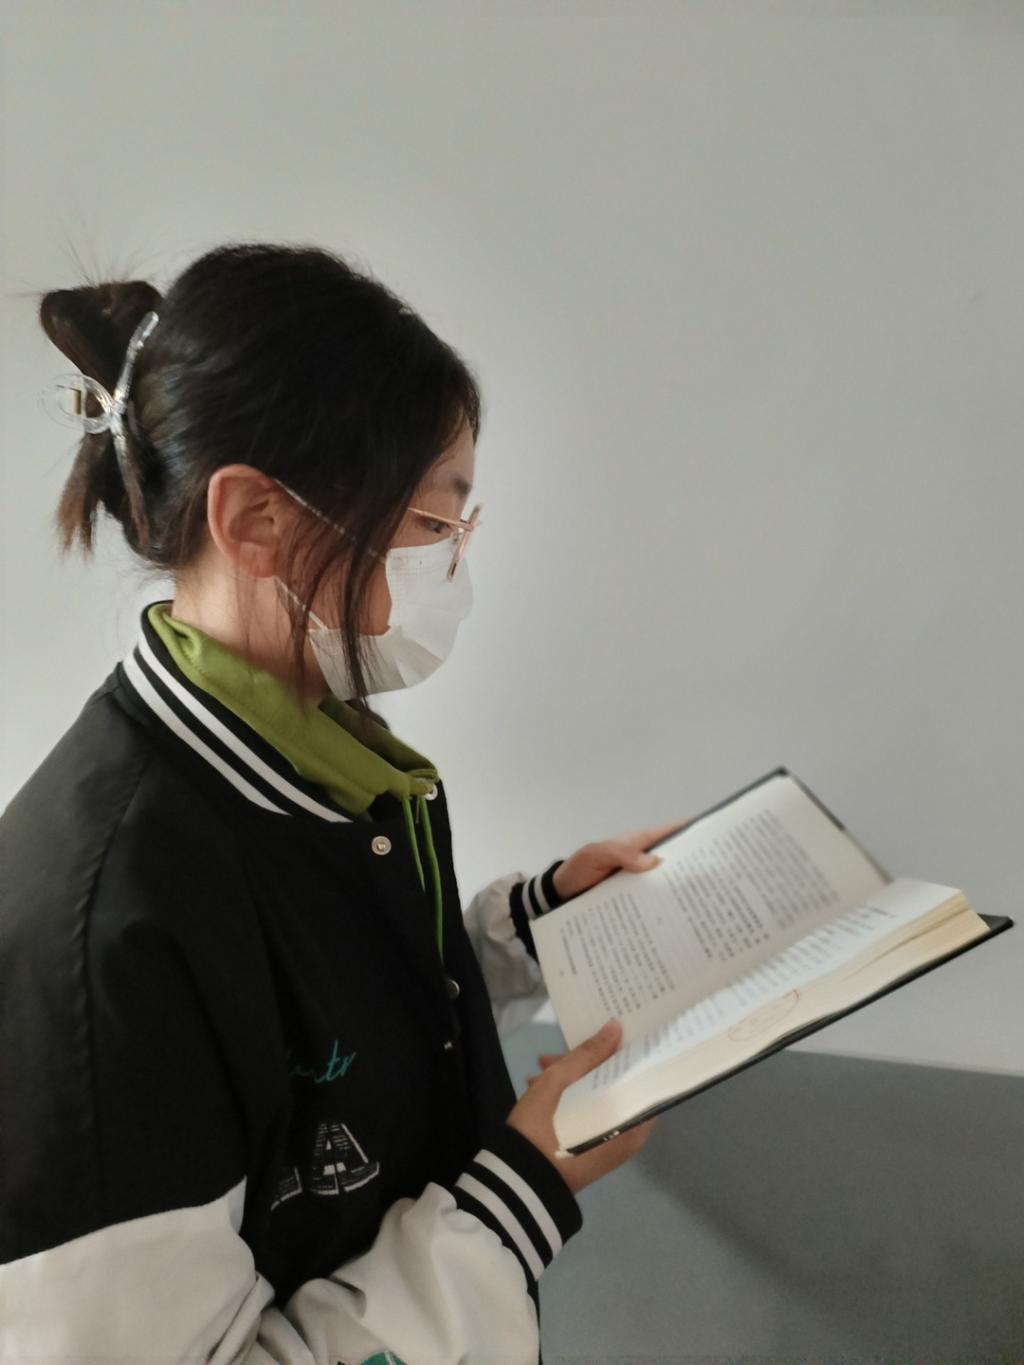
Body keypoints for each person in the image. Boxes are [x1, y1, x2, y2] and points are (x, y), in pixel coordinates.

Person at [0, 242, 684, 1365]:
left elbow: (324, 1029)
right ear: (255, 520)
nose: (453, 566)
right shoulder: (101, 942)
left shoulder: (316, 745)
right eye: (430, 526)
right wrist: (515, 1201)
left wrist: (532, 931)